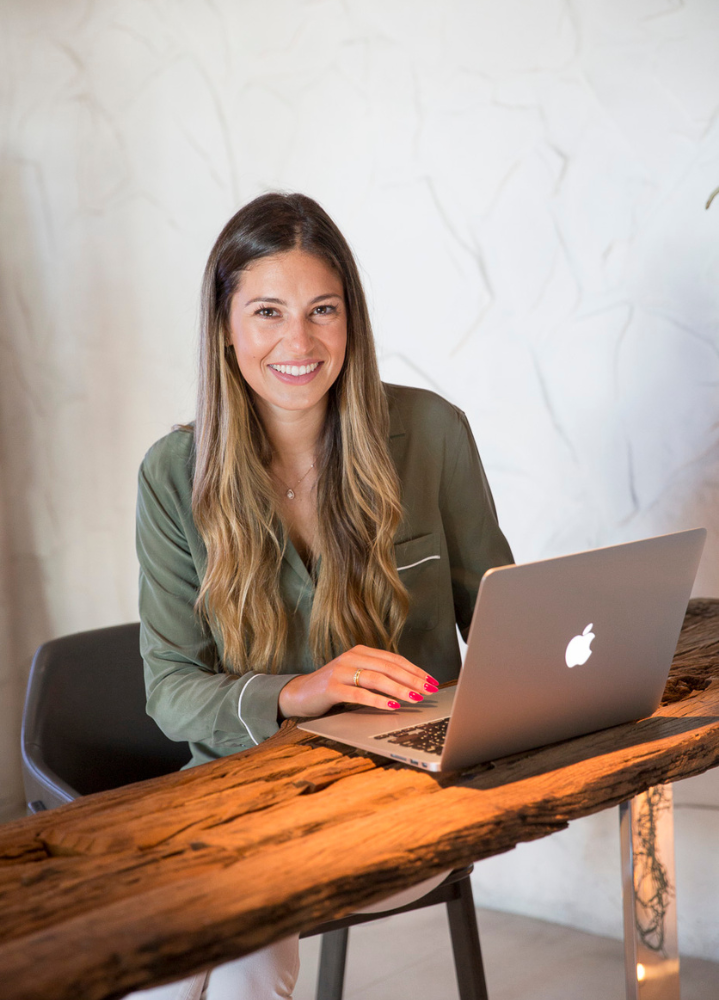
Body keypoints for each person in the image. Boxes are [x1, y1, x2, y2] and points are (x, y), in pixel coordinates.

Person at [135, 192, 513, 1000]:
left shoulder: (433, 434)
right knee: (163, 967)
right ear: (225, 328)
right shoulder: (172, 476)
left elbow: (510, 628)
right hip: (237, 799)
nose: (298, 342)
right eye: (267, 311)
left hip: (404, 798)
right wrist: (299, 693)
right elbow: (170, 691)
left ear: (352, 321)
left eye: (322, 310)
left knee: (233, 950)